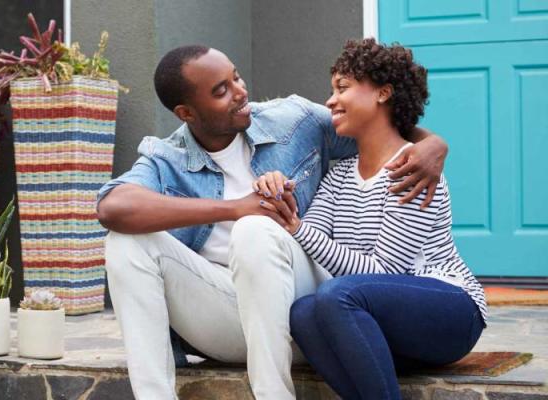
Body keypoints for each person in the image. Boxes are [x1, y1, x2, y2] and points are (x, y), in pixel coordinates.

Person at [96, 44, 450, 399]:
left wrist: (433, 144)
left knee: (256, 229)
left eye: (236, 77)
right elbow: (113, 207)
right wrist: (235, 208)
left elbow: (375, 123)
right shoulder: (166, 158)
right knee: (125, 240)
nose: (240, 92)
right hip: (226, 318)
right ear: (186, 112)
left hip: (304, 311)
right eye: (221, 91)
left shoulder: (294, 122)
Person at [253, 38, 487, 400]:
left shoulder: (413, 170)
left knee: (335, 295)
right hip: (382, 322)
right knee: (303, 314)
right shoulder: (340, 174)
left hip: (451, 312)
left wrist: (297, 229)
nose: (331, 100)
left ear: (383, 93)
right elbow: (311, 239)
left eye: (342, 88)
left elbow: (385, 272)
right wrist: (283, 199)